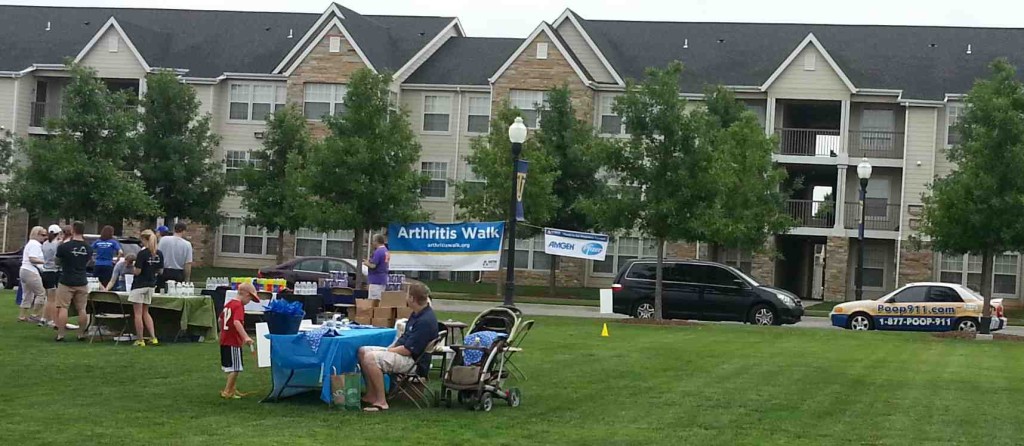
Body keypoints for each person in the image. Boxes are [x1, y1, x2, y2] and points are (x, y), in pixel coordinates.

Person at [357, 284, 437, 412]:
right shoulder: (417, 314)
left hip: (414, 362)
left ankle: (381, 401)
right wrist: (391, 347)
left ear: (412, 298)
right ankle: (371, 395)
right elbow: (405, 337)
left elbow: (408, 350)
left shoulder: (425, 321)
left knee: (371, 358)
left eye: (407, 295)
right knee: (362, 351)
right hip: (406, 353)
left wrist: (389, 351)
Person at [54, 221, 93, 342]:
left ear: (73, 230)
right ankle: (81, 334)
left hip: (66, 280)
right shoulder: (88, 247)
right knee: (82, 309)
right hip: (82, 280)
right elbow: (88, 262)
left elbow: (57, 261)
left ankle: (61, 334)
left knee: (63, 308)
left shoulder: (64, 247)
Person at [219, 281, 258, 399]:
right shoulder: (238, 306)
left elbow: (220, 320)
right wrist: (245, 337)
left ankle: (232, 389)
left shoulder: (229, 304)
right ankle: (227, 391)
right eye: (250, 299)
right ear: (246, 295)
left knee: (231, 367)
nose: (249, 302)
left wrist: (222, 332)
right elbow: (237, 322)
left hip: (224, 340)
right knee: (236, 368)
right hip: (233, 342)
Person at [130, 230, 163, 347]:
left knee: (138, 314)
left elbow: (137, 271)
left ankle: (140, 339)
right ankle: (153, 337)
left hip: (139, 285)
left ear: (144, 240)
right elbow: (160, 270)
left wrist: (132, 267)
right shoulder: (158, 253)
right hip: (150, 285)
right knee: (146, 312)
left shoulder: (142, 254)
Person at [18, 227, 47, 323]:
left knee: (27, 294)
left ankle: (22, 315)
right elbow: (32, 258)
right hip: (31, 271)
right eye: (43, 235)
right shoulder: (35, 244)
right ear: (36, 234)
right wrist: (45, 262)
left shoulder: (30, 243)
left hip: (23, 270)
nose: (45, 237)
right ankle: (34, 315)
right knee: (41, 293)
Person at [157, 222, 193, 292]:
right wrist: (187, 279)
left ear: (174, 230)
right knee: (176, 293)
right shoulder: (187, 244)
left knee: (161, 293)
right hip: (178, 273)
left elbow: (158, 255)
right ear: (184, 231)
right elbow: (188, 264)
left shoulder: (163, 240)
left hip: (163, 271)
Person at [39, 224, 62, 328]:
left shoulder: (44, 244)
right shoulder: (57, 244)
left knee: (48, 298)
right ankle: (51, 319)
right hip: (53, 271)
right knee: (53, 299)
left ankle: (43, 318)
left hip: (45, 271)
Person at [365, 234, 390, 301]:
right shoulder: (386, 251)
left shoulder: (378, 252)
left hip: (375, 281)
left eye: (373, 241)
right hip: (383, 279)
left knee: (373, 301)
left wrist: (367, 263)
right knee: (380, 300)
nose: (372, 243)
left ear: (377, 241)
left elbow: (373, 265)